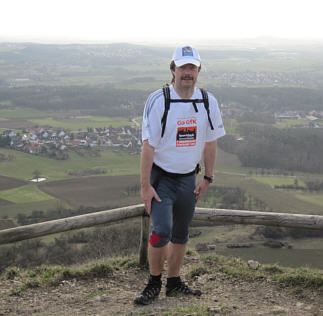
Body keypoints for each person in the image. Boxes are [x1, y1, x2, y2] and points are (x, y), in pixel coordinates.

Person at [134, 46, 225, 305]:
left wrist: (208, 178)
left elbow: (210, 143)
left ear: (199, 71)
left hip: (188, 178)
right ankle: (153, 282)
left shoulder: (208, 101)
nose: (187, 73)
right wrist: (145, 186)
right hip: (162, 178)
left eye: (192, 68)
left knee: (181, 233)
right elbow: (148, 146)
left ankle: (173, 282)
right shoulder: (159, 100)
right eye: (182, 67)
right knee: (161, 231)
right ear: (173, 69)